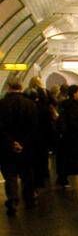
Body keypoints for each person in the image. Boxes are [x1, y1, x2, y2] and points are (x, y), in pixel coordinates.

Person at [0, 79, 39, 214]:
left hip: (6, 146)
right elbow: (34, 127)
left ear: (9, 87)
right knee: (27, 173)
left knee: (10, 174)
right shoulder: (30, 104)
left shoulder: (1, 104)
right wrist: (22, 142)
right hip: (26, 146)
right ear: (21, 87)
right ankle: (29, 199)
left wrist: (11, 142)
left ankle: (12, 199)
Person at [55, 85, 78, 187]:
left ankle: (63, 178)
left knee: (66, 159)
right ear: (74, 93)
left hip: (67, 137)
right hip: (76, 136)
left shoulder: (64, 105)